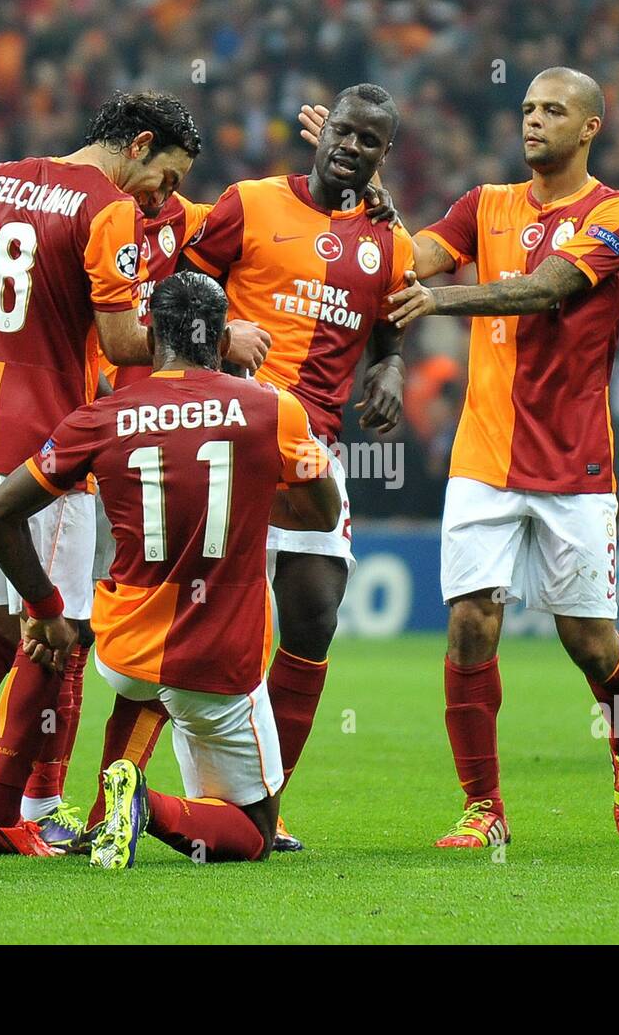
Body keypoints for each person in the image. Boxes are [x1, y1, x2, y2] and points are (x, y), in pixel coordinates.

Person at [0, 91, 244, 855]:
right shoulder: (109, 208)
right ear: (139, 144)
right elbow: (125, 344)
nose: (166, 195)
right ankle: (3, 815)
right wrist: (207, 330)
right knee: (49, 633)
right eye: (167, 175)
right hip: (43, 441)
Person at [0, 272, 340, 863]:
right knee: (253, 834)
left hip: (120, 651)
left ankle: (103, 814)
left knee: (150, 689)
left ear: (149, 330)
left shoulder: (101, 416)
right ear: (222, 337)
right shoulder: (274, 409)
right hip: (217, 661)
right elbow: (322, 516)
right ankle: (142, 800)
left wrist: (45, 610)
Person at [386, 67, 619, 845]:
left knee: (590, 643)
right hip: (483, 455)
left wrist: (443, 299)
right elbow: (411, 258)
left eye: (553, 110)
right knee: (471, 623)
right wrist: (355, 208)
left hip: (575, 461)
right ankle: (484, 809)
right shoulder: (484, 204)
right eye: (528, 108)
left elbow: (546, 290)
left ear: (590, 128)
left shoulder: (618, 215)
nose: (534, 121)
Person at [176, 83, 414, 850]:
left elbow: (390, 324)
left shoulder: (389, 242)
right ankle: (159, 792)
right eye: (343, 132)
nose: (351, 147)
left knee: (312, 619)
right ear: (321, 134)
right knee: (200, 628)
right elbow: (176, 292)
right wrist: (224, 332)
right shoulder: (248, 202)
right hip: (229, 443)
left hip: (314, 453)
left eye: (368, 141)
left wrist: (393, 367)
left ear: (383, 156)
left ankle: (262, 809)